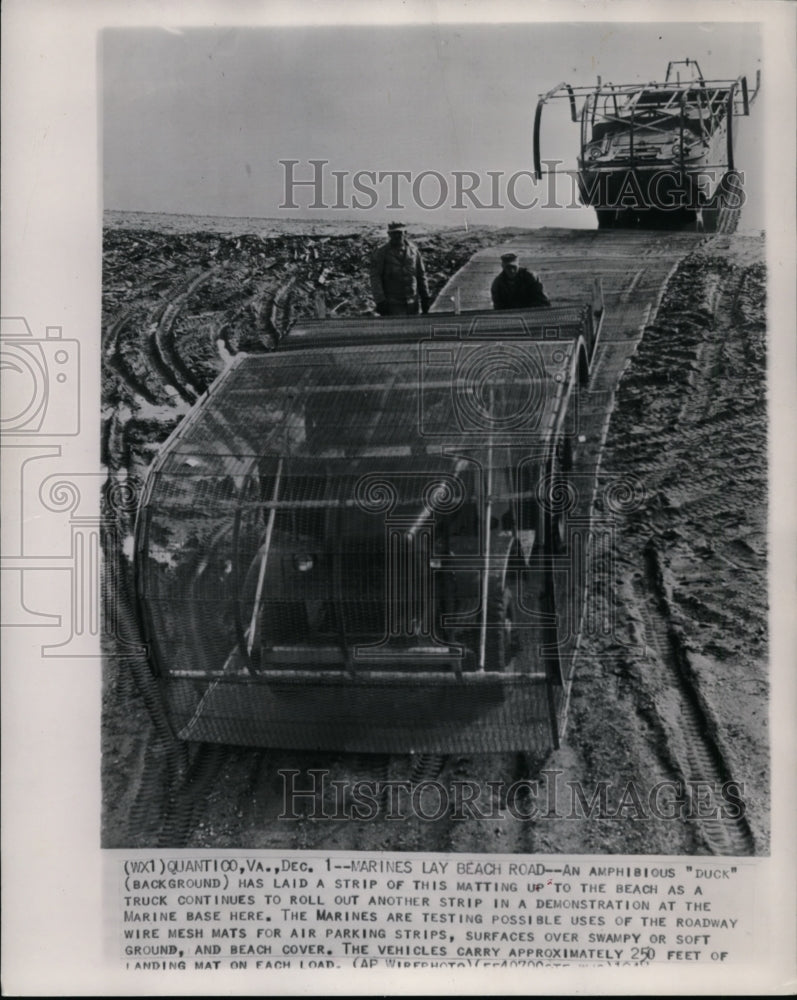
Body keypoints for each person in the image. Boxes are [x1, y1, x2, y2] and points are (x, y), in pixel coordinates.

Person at [370, 221, 431, 316]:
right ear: (389, 234)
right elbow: (375, 277)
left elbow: (421, 275)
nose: (397, 236)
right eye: (393, 233)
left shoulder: (414, 251)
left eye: (399, 233)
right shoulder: (381, 253)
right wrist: (380, 301)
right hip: (392, 304)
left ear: (405, 233)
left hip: (413, 303)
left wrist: (425, 297)